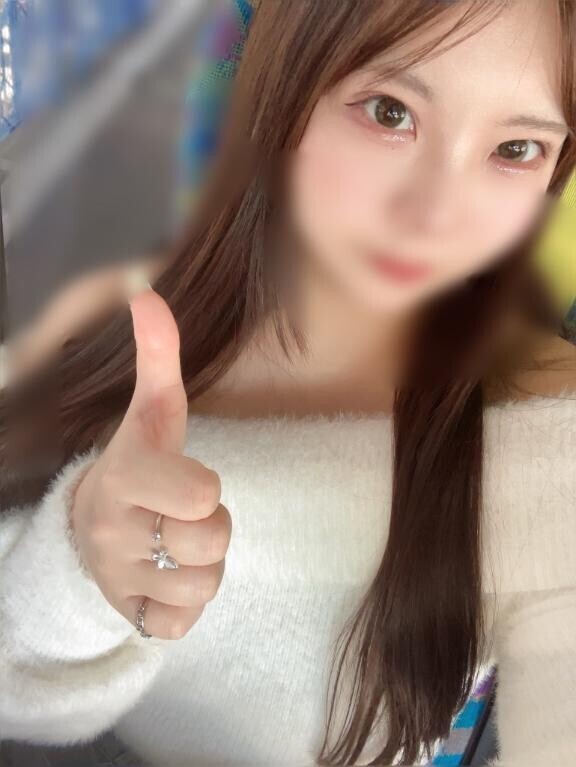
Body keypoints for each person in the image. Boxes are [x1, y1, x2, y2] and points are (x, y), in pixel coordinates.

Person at [1, 1, 576, 766]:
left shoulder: (547, 426)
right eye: (390, 111)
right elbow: (18, 694)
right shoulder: (91, 305)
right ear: (287, 89)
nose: (435, 215)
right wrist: (79, 567)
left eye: (515, 148)